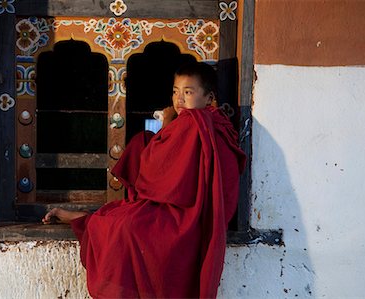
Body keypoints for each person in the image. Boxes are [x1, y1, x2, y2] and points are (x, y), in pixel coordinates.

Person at [43, 62, 246, 298]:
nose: (179, 99)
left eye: (188, 92)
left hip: (182, 214)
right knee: (116, 218)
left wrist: (167, 123)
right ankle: (82, 219)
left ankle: (83, 221)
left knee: (120, 225)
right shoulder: (215, 124)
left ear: (209, 97)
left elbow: (155, 169)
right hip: (194, 213)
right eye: (175, 91)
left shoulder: (194, 121)